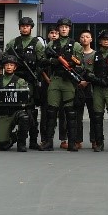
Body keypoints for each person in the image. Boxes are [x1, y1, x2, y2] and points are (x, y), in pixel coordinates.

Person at [5, 16, 46, 150]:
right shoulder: (13, 43)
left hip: (30, 81)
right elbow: (5, 59)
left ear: (31, 28)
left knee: (31, 111)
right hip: (15, 81)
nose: (25, 28)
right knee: (14, 110)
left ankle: (33, 141)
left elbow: (42, 62)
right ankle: (11, 138)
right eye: (22, 26)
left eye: (27, 26)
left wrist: (37, 74)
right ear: (19, 28)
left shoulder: (37, 43)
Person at [42, 17, 82, 151]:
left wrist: (72, 64)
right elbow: (43, 61)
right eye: (61, 27)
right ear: (58, 29)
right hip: (55, 80)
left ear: (69, 29)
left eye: (66, 27)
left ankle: (71, 142)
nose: (64, 29)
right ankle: (48, 142)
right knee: (51, 111)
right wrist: (54, 61)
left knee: (70, 112)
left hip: (69, 81)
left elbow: (81, 64)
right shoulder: (51, 45)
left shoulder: (75, 45)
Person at [0, 54, 31, 152]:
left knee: (24, 117)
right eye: (7, 65)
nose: (9, 67)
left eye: (11, 65)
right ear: (3, 66)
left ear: (15, 67)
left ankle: (21, 143)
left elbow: (25, 97)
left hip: (15, 112)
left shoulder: (20, 81)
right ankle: (14, 136)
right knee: (3, 146)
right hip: (2, 114)